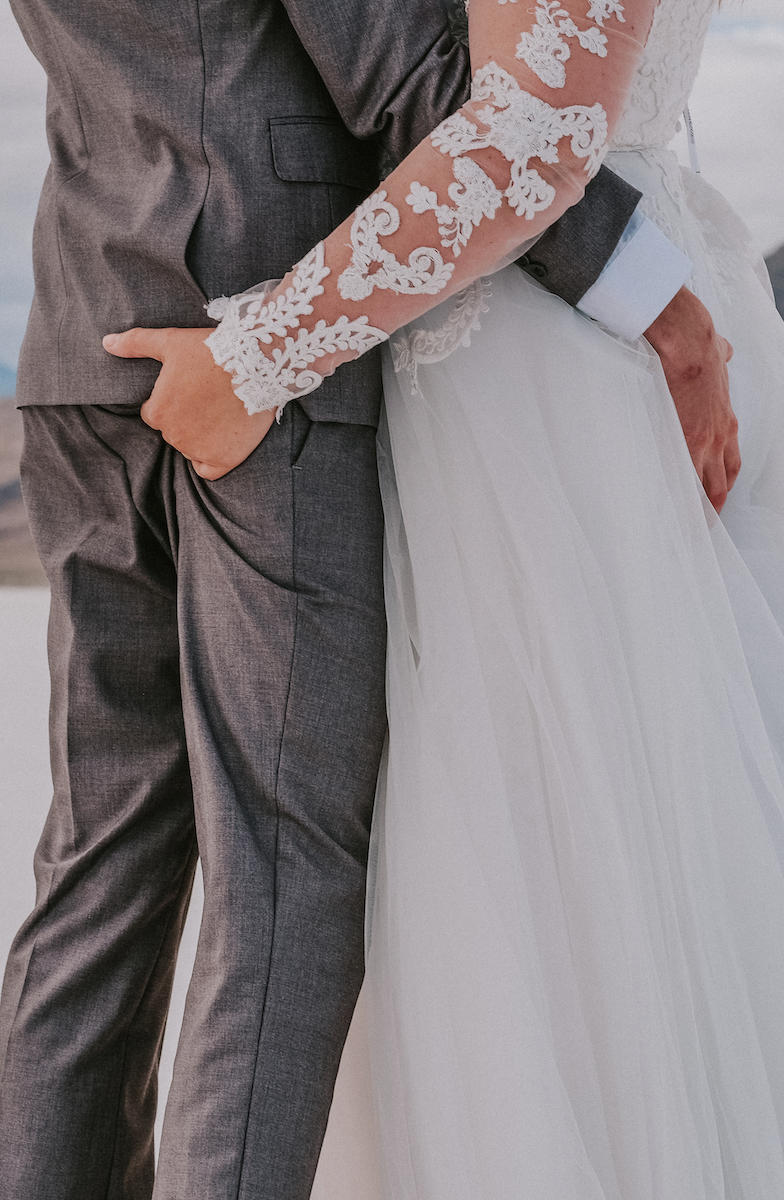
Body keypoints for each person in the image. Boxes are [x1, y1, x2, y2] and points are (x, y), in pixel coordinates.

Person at [0, 2, 719, 1200]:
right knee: (282, 869)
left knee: (96, 868)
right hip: (256, 346)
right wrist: (647, 283)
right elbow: (412, 85)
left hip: (83, 331)